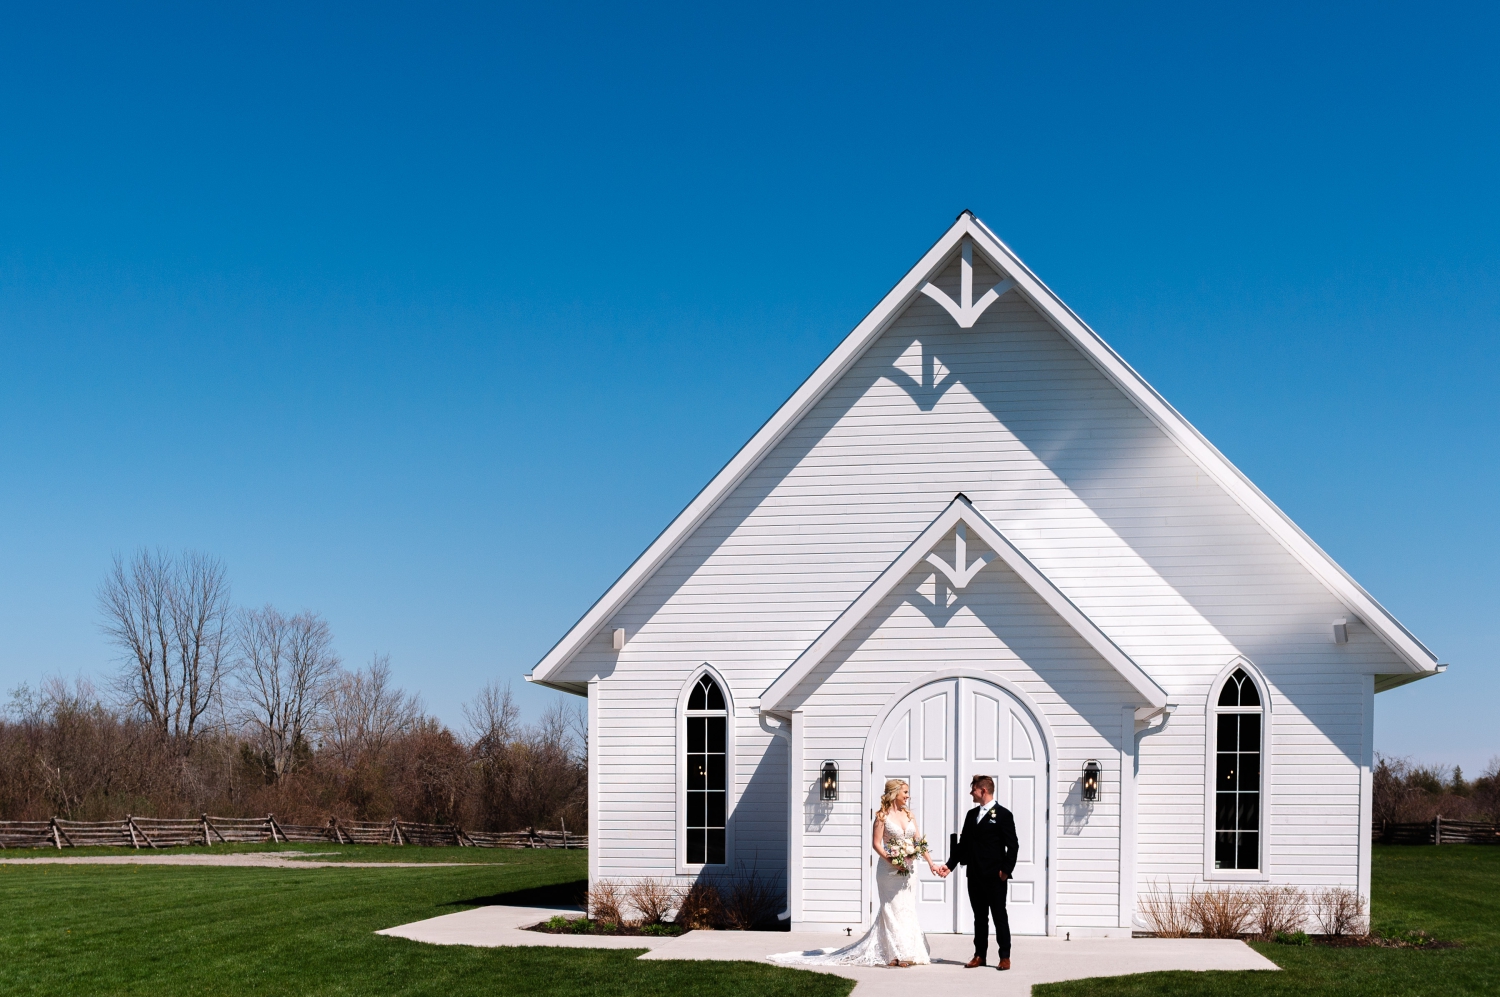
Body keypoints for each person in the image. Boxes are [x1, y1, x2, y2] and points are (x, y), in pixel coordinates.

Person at [768, 779, 942, 968]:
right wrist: (891, 860)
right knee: (890, 909)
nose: (908, 796)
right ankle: (894, 954)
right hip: (888, 870)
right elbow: (876, 844)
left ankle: (907, 951)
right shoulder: (882, 816)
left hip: (909, 871)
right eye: (905, 792)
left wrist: (931, 864)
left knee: (906, 908)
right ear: (894, 793)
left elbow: (918, 843)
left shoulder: (909, 815)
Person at [937, 774, 1019, 971]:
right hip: (974, 876)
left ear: (983, 790)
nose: (970, 792)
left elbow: (1013, 846)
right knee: (979, 918)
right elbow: (963, 844)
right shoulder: (970, 815)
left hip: (995, 877)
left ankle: (1005, 957)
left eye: (973, 789)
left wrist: (1006, 871)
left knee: (999, 916)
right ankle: (979, 955)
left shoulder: (1004, 815)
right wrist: (949, 865)